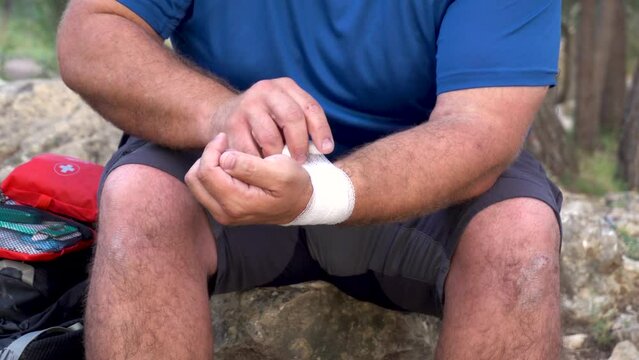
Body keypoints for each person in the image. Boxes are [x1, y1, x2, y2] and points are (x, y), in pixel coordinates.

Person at [57, 0, 563, 359]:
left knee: (518, 234)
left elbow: (480, 130)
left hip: (416, 188)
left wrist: (324, 193)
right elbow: (93, 30)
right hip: (228, 160)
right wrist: (220, 113)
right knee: (140, 200)